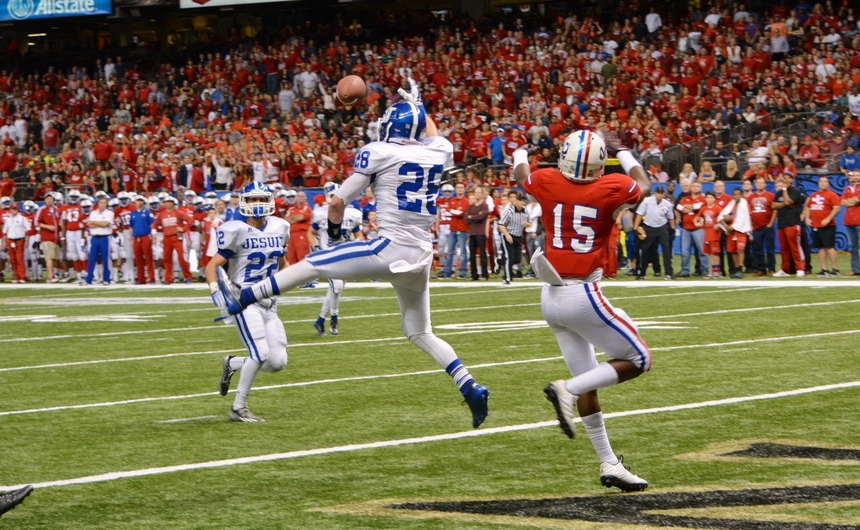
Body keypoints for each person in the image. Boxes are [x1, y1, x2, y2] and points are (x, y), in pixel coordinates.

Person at [214, 84, 490, 429]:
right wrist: (419, 106)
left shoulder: (379, 151)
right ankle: (469, 386)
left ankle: (245, 296)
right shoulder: (439, 151)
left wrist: (330, 236)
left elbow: (336, 203)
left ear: (390, 127)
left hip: (389, 247)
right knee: (420, 332)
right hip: (421, 255)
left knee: (313, 263)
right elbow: (430, 133)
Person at [513, 130, 651, 492]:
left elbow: (521, 174)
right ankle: (567, 389)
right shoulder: (611, 186)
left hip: (551, 296)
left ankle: (609, 463)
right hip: (583, 293)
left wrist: (519, 152)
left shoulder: (546, 179)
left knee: (593, 378)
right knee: (639, 360)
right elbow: (643, 183)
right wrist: (624, 154)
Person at [206, 182, 291, 423]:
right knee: (260, 352)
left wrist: (296, 276)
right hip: (244, 299)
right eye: (252, 200)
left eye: (261, 200)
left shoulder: (280, 227)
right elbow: (212, 266)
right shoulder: (235, 230)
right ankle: (238, 407)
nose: (257, 205)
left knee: (277, 362)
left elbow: (282, 262)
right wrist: (216, 292)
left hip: (270, 301)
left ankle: (233, 362)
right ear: (244, 202)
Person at [309, 182, 364, 336]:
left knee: (334, 290)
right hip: (328, 257)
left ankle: (320, 321)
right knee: (337, 286)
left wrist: (356, 243)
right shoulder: (321, 213)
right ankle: (334, 318)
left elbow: (359, 234)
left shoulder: (352, 214)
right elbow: (311, 232)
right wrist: (316, 248)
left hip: (345, 256)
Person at [632, 186, 674, 280]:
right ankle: (641, 273)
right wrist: (635, 228)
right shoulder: (647, 202)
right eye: (658, 192)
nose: (659, 194)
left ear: (664, 194)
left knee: (666, 250)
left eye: (661, 192)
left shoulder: (667, 204)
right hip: (649, 227)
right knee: (645, 251)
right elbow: (639, 214)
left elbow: (671, 217)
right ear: (655, 193)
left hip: (662, 227)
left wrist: (673, 228)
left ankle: (669, 273)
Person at [803, 176, 841, 276]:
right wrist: (807, 218)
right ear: (818, 183)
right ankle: (824, 269)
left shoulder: (832, 195)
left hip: (828, 225)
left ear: (828, 184)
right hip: (816, 225)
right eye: (821, 181)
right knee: (820, 247)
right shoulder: (813, 195)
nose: (823, 183)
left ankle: (835, 269)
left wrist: (828, 219)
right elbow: (807, 207)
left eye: (825, 181)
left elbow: (836, 208)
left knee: (829, 246)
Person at [152, 196, 194, 284]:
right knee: (167, 259)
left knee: (181, 258)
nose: (169, 203)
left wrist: (183, 228)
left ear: (173, 203)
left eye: (170, 202)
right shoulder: (161, 214)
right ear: (165, 203)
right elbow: (154, 225)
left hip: (176, 237)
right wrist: (154, 234)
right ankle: (168, 279)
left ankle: (188, 277)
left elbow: (190, 220)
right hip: (166, 237)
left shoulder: (178, 212)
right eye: (167, 202)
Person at [772, 173, 806, 277]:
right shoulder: (779, 192)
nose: (786, 180)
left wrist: (785, 190)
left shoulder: (795, 191)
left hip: (793, 222)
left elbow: (789, 202)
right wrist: (783, 203)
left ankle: (800, 268)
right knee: (784, 249)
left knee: (795, 247)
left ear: (792, 180)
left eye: (788, 178)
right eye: (784, 178)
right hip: (782, 223)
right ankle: (784, 269)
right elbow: (773, 205)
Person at [675, 181, 708, 277]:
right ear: (691, 188)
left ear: (701, 188)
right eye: (694, 186)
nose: (695, 188)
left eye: (698, 186)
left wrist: (689, 207)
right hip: (686, 228)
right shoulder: (685, 198)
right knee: (685, 251)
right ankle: (685, 271)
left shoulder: (703, 199)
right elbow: (678, 208)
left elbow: (701, 207)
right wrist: (693, 208)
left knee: (702, 251)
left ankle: (704, 270)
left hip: (699, 228)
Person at [718, 188, 753, 279]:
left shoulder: (744, 204)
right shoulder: (731, 204)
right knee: (733, 251)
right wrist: (726, 225)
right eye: (735, 194)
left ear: (741, 195)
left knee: (740, 249)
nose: (736, 196)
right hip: (731, 231)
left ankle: (740, 270)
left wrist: (733, 227)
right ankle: (736, 269)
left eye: (738, 194)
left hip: (741, 230)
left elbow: (742, 218)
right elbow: (721, 215)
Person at [497, 191, 529, 284]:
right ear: (516, 201)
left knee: (517, 259)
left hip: (518, 237)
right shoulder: (509, 211)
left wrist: (527, 224)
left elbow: (530, 223)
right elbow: (501, 224)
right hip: (509, 235)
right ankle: (507, 278)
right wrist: (507, 235)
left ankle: (499, 262)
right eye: (520, 201)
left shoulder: (525, 211)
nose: (522, 203)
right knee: (509, 257)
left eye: (524, 201)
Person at [439, 182, 469, 279]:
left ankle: (463, 272)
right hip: (453, 228)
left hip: (462, 229)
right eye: (458, 187)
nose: (460, 189)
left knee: (462, 252)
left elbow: (461, 213)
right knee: (450, 252)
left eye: (461, 187)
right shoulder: (452, 200)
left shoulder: (466, 201)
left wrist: (453, 211)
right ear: (455, 189)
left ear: (464, 189)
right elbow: (448, 213)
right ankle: (447, 272)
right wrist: (455, 211)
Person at [748, 177, 776, 276]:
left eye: (761, 183)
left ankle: (771, 268)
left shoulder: (770, 195)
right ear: (755, 185)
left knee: (770, 249)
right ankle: (761, 269)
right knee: (758, 249)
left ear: (765, 184)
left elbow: (774, 210)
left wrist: (771, 224)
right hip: (756, 227)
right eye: (758, 183)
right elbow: (749, 213)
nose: (759, 184)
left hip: (767, 226)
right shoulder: (751, 197)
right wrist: (751, 226)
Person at [83, 196, 114, 285]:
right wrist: (100, 223)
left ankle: (106, 279)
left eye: (105, 203)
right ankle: (88, 279)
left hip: (105, 237)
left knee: (105, 259)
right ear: (98, 203)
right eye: (101, 202)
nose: (103, 204)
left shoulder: (109, 213)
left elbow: (105, 224)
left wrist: (95, 222)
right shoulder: (93, 213)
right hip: (94, 237)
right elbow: (90, 225)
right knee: (92, 259)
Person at [129, 196, 156, 284]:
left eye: (141, 201)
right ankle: (141, 279)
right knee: (138, 259)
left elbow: (152, 225)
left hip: (145, 236)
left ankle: (151, 278)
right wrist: (131, 238)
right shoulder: (132, 214)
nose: (139, 203)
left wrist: (153, 236)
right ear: (135, 202)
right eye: (138, 201)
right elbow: (131, 227)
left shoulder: (147, 212)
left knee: (148, 258)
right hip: (137, 237)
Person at [1, 202, 31, 283]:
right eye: (13, 209)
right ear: (10, 209)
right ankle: (17, 276)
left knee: (19, 259)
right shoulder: (8, 220)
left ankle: (22, 277)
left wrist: (27, 240)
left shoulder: (22, 218)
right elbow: (4, 232)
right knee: (13, 260)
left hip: (19, 240)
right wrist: (4, 242)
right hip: (10, 240)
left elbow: (28, 230)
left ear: (18, 209)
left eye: (15, 209)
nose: (14, 210)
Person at [35, 192, 61, 282]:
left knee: (54, 257)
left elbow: (59, 223)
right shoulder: (42, 209)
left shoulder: (57, 210)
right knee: (49, 257)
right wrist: (47, 226)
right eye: (48, 198)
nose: (49, 200)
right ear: (45, 200)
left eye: (51, 199)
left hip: (56, 237)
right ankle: (50, 276)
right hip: (46, 236)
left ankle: (54, 274)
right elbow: (36, 222)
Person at [466, 186, 490, 281]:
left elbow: (482, 216)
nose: (477, 194)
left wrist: (472, 217)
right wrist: (475, 216)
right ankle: (474, 274)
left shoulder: (485, 205)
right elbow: (466, 218)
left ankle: (484, 274)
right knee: (472, 255)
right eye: (476, 192)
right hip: (472, 233)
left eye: (479, 192)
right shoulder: (471, 206)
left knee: (482, 254)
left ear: (482, 193)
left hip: (480, 232)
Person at [840, 170, 860, 276]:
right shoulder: (847, 188)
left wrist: (849, 201)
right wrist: (851, 201)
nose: (855, 177)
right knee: (853, 247)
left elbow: (857, 200)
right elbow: (842, 201)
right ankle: (855, 269)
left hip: (859, 221)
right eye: (854, 175)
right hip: (849, 221)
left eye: (858, 175)